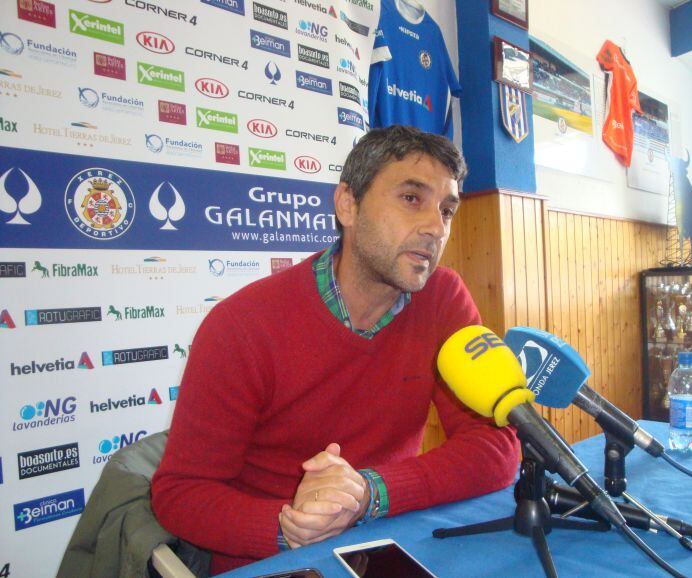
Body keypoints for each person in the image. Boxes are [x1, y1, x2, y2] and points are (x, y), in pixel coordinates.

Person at [151, 125, 520, 575]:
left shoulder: (443, 298)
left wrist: (369, 492)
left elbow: (497, 445)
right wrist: (289, 526)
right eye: (411, 198)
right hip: (274, 559)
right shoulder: (241, 325)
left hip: (388, 541)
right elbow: (181, 493)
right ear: (347, 204)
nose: (434, 227)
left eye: (447, 210)